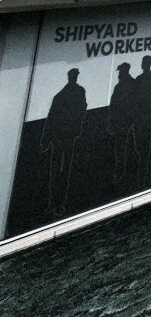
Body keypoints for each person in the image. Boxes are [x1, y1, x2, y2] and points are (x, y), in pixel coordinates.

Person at [41, 68, 87, 214]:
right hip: (59, 136)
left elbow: (82, 110)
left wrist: (77, 128)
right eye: (72, 76)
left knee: (63, 170)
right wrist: (46, 139)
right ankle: (53, 202)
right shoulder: (60, 96)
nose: (73, 78)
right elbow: (51, 117)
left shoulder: (73, 93)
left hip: (66, 136)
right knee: (56, 170)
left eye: (74, 76)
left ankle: (59, 203)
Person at [133, 54, 151, 183]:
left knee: (144, 147)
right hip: (142, 118)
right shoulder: (142, 79)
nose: (143, 65)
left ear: (147, 64)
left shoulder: (147, 79)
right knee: (140, 146)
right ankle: (142, 174)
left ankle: (143, 176)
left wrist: (150, 105)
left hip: (146, 117)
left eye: (144, 63)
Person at [108, 62, 139, 185]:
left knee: (123, 148)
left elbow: (135, 103)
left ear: (125, 71)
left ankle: (123, 173)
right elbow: (113, 105)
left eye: (120, 71)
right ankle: (126, 172)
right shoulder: (121, 85)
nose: (119, 73)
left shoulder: (130, 84)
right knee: (123, 148)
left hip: (126, 121)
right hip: (121, 121)